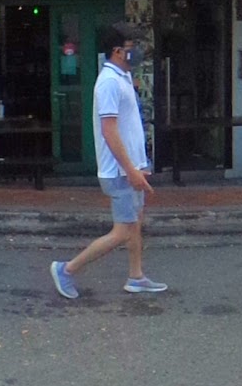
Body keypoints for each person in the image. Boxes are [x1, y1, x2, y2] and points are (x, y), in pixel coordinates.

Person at [54, 22, 164, 299]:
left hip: (131, 169)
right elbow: (109, 129)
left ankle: (136, 276)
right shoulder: (109, 83)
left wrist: (139, 165)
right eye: (132, 47)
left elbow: (128, 127)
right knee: (123, 231)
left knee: (135, 223)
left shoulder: (122, 77)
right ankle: (66, 270)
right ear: (117, 51)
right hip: (119, 172)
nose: (137, 51)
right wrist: (130, 170)